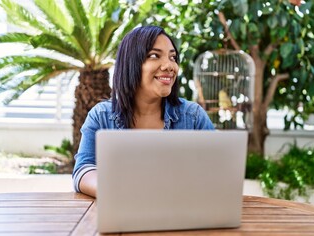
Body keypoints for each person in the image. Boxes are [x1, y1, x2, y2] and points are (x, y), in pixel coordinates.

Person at [72, 26, 215, 197]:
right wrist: (116, 191)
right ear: (131, 63)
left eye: (173, 57)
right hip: (122, 217)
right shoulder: (101, 116)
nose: (170, 66)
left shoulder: (193, 116)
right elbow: (84, 170)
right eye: (154, 55)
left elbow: (216, 171)